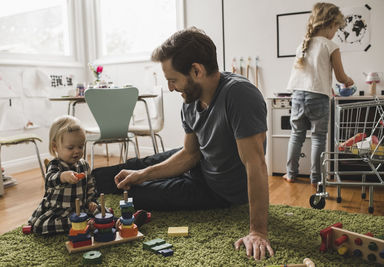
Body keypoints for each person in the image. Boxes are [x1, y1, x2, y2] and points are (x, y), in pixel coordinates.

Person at [93, 27, 273, 260]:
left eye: (173, 80)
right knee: (132, 168)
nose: (170, 88)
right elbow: (189, 154)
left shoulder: (239, 95)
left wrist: (258, 231)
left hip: (219, 191)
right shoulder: (190, 101)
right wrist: (144, 173)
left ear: (196, 70)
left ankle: (116, 186)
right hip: (200, 162)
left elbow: (255, 165)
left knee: (137, 196)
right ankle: (78, 182)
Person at [283, 2, 354, 185]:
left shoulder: (303, 45)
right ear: (330, 24)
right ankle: (316, 179)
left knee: (296, 135)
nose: (335, 33)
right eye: (336, 29)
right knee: (318, 138)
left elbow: (308, 75)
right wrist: (348, 80)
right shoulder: (331, 46)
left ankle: (291, 174)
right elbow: (340, 76)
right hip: (318, 98)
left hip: (298, 95)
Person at [28, 115, 99, 234]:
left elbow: (90, 186)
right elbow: (49, 180)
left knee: (101, 211)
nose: (77, 151)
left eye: (80, 146)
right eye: (70, 148)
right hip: (59, 210)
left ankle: (113, 222)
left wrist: (92, 201)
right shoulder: (55, 165)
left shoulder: (84, 165)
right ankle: (82, 224)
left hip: (81, 208)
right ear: (55, 146)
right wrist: (62, 176)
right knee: (39, 226)